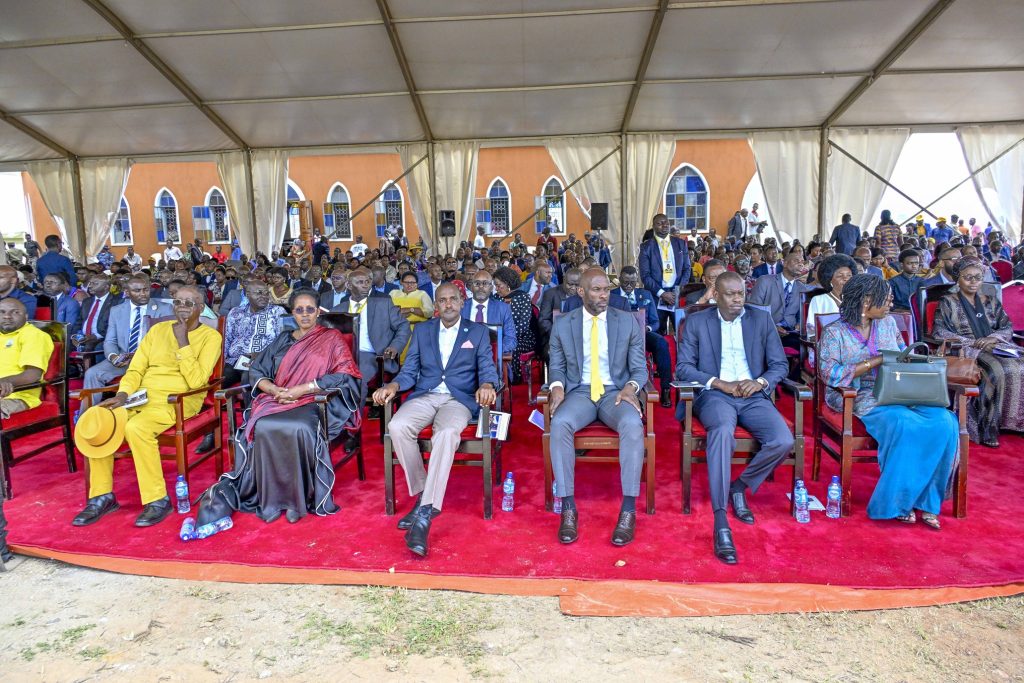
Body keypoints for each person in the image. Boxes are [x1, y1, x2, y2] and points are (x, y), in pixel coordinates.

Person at [194, 290, 362, 525]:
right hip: (278, 398)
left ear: (318, 312)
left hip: (313, 400)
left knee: (299, 428)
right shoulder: (282, 339)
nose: (305, 314)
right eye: (299, 310)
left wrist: (302, 389)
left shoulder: (331, 338)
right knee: (262, 425)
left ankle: (297, 500)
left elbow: (345, 373)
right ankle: (270, 499)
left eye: (310, 309)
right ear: (292, 313)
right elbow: (257, 371)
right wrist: (274, 391)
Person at [72, 286, 222, 528]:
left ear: (201, 308)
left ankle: (157, 499)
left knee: (136, 428)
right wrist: (122, 395)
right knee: (99, 419)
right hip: (140, 396)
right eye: (178, 302)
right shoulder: (157, 331)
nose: (182, 306)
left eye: (189, 303)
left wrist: (183, 342)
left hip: (178, 399)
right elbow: (136, 369)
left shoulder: (210, 337)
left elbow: (198, 381)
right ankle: (101, 495)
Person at [818, 274, 959, 529]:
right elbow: (830, 374)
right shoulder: (834, 333)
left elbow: (903, 355)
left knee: (945, 420)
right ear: (866, 301)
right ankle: (897, 503)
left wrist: (918, 359)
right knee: (904, 422)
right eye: (886, 300)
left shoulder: (888, 324)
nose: (890, 305)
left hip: (898, 389)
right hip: (859, 395)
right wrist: (876, 360)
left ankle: (927, 502)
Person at [373, 283, 498, 557]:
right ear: (436, 306)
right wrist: (394, 386)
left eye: (453, 299)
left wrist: (487, 384)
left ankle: (425, 513)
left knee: (446, 434)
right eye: (443, 300)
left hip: (459, 399)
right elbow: (410, 370)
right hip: (425, 395)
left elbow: (487, 367)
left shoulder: (477, 332)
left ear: (462, 302)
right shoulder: (423, 330)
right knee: (397, 425)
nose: (449, 304)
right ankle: (422, 495)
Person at [675, 271, 792, 564]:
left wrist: (762, 382)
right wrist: (718, 383)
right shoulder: (697, 321)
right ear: (715, 294)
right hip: (716, 395)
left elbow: (780, 365)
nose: (738, 299)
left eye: (741, 293)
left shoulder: (760, 320)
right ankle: (720, 521)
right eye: (731, 294)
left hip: (753, 394)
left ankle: (738, 487)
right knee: (722, 432)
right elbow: (684, 368)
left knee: (782, 440)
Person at [547, 268, 648, 547]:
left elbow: (640, 369)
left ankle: (628, 509)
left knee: (631, 424)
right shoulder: (564, 323)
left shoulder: (626, 322)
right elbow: (556, 365)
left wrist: (632, 388)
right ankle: (568, 507)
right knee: (560, 423)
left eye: (607, 290)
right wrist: (556, 386)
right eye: (597, 290)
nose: (604, 295)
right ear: (581, 292)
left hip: (615, 393)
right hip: (579, 392)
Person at [932, 258, 1024, 448]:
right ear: (958, 278)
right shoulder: (948, 302)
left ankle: (1017, 423)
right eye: (968, 278)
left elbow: (1006, 326)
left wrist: (993, 339)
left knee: (1020, 364)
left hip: (995, 344)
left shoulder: (991, 301)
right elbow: (940, 332)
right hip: (966, 348)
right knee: (996, 371)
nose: (973, 282)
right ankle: (988, 427)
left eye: (978, 277)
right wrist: (974, 343)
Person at [329, 268, 409, 402]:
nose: (366, 285)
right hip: (343, 357)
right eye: (360, 282)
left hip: (373, 356)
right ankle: (331, 419)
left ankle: (353, 421)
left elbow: (404, 326)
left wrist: (395, 346)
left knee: (355, 380)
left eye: (367, 281)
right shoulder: (337, 310)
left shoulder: (383, 304)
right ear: (349, 285)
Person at [83, 275, 173, 390]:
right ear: (127, 292)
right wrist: (113, 356)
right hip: (124, 360)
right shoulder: (117, 310)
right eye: (137, 291)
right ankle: (91, 408)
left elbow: (168, 341)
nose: (143, 294)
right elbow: (110, 340)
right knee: (92, 374)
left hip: (151, 360)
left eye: (146, 289)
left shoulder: (165, 309)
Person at [613, 266, 672, 408]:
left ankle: (665, 388)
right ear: (619, 279)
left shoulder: (645, 294)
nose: (628, 286)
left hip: (642, 332)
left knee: (661, 343)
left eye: (632, 282)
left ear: (637, 281)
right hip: (617, 335)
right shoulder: (612, 295)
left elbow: (655, 321)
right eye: (625, 282)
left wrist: (647, 328)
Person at [222, 280, 285, 389]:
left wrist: (261, 354)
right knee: (220, 379)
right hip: (235, 360)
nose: (264, 296)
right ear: (247, 294)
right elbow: (227, 338)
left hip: (262, 361)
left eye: (266, 293)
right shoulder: (236, 312)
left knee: (249, 377)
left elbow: (283, 341)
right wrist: (222, 361)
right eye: (259, 293)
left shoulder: (277, 311)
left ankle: (250, 406)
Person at [0, 298, 54, 419]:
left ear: (26, 315)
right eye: (2, 312)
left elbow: (32, 375)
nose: (7, 316)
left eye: (15, 312)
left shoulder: (34, 335)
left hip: (16, 396)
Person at [639, 213, 691, 333]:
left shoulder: (680, 244)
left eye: (666, 222)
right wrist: (662, 293)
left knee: (681, 332)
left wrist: (678, 290)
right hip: (656, 296)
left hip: (676, 295)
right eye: (660, 223)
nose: (664, 225)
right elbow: (645, 276)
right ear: (653, 226)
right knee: (658, 333)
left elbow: (687, 269)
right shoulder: (646, 247)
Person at [749, 251, 809, 351]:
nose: (801, 264)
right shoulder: (765, 281)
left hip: (790, 332)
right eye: (796, 260)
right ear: (784, 263)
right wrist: (772, 327)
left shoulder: (802, 288)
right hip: (766, 330)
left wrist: (799, 324)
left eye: (802, 262)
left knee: (805, 349)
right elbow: (754, 310)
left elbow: (801, 315)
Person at [493, 266, 537, 384]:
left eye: (498, 285)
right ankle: (495, 379)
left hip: (523, 336)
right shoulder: (495, 298)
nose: (496, 289)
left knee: (513, 347)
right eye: (495, 285)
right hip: (499, 336)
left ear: (507, 284)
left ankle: (512, 380)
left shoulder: (523, 297)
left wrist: (508, 337)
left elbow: (523, 325)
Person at [461, 269, 516, 355]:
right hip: (464, 358)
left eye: (485, 283)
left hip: (492, 358)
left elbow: (511, 339)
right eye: (477, 283)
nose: (481, 287)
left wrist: (495, 351)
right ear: (471, 287)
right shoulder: (461, 307)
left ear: (491, 288)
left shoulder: (503, 308)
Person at [805, 254, 856, 339]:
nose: (846, 279)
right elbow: (812, 333)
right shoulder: (818, 300)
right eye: (840, 276)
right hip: (827, 346)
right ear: (829, 279)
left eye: (849, 276)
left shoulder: (857, 300)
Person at [74, 275, 120, 351]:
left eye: (95, 283)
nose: (90, 286)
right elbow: (79, 322)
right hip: (83, 336)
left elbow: (115, 327)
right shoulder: (87, 301)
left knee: (91, 346)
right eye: (90, 283)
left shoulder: (116, 302)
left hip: (102, 337)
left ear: (106, 287)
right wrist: (74, 336)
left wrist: (95, 336)